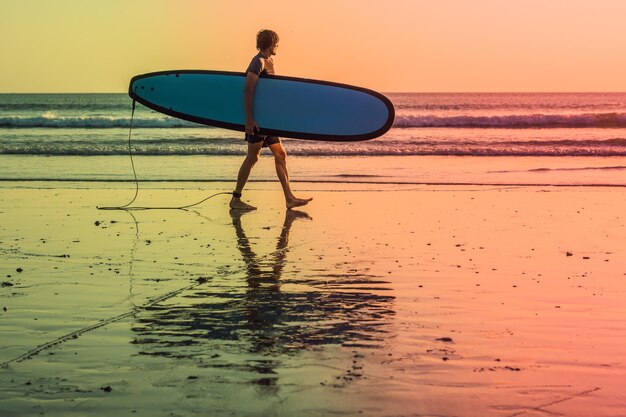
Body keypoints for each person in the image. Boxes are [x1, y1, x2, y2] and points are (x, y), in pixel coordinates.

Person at [230, 29, 312, 211]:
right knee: (252, 158)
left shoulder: (269, 61)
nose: (277, 46)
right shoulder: (258, 62)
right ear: (270, 43)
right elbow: (248, 90)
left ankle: (289, 198)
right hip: (259, 121)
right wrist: (249, 120)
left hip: (269, 121)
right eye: (276, 43)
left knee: (280, 155)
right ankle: (236, 199)